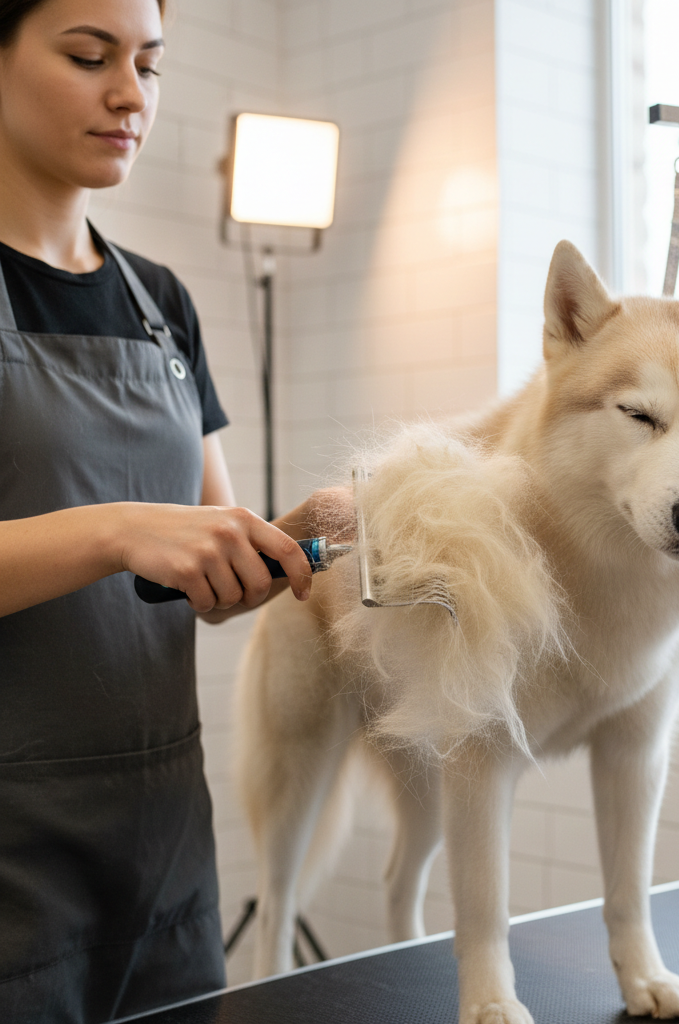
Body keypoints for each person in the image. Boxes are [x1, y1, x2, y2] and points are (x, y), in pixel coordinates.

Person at [0, 1, 350, 1019]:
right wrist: (113, 527)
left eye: (149, 65)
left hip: (161, 854)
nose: (129, 95)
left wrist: (306, 538)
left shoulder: (162, 304)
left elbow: (207, 582)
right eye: (87, 55)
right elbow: (139, 539)